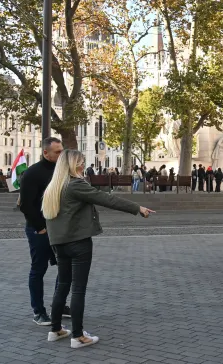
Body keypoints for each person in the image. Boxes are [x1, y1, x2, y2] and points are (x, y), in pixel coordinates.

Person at [41, 149, 155, 348]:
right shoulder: (75, 185)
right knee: (78, 289)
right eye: (80, 163)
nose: (83, 166)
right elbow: (106, 199)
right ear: (72, 165)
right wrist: (137, 208)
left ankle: (56, 329)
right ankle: (77, 336)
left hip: (59, 244)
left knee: (62, 285)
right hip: (78, 243)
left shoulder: (53, 187)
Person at [18, 137, 67, 326]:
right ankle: (38, 311)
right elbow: (25, 205)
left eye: (62, 151)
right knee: (39, 270)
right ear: (46, 152)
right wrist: (40, 228)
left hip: (59, 228)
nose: (61, 154)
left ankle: (59, 305)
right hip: (40, 229)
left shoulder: (61, 170)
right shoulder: (32, 173)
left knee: (64, 268)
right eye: (57, 152)